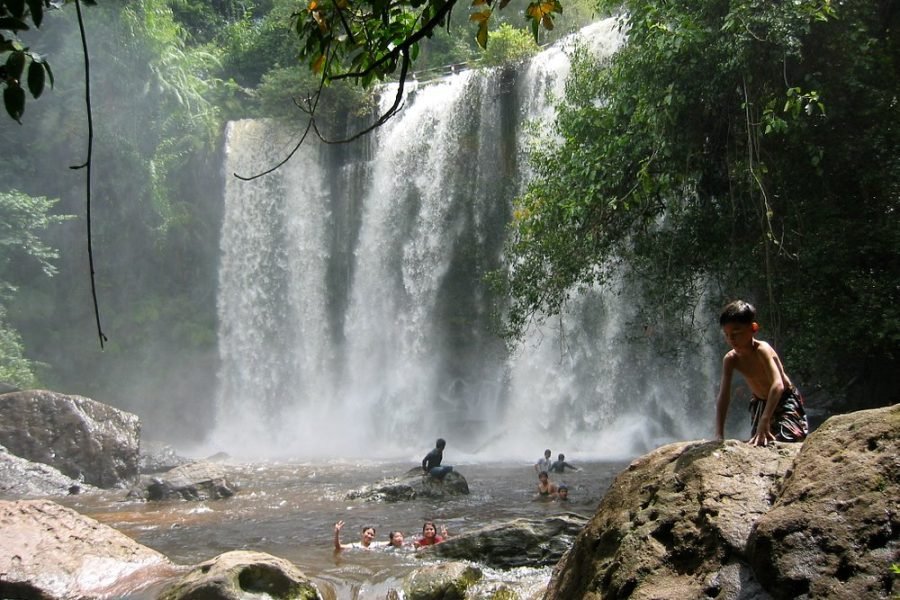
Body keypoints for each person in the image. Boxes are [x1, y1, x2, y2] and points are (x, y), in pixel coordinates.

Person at [715, 300, 809, 446]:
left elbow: (777, 385)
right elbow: (724, 396)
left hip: (784, 399)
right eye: (727, 335)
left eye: (736, 332)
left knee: (787, 438)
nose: (731, 339)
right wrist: (719, 433)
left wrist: (765, 420)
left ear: (753, 328)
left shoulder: (762, 350)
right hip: (760, 403)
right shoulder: (730, 359)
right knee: (760, 443)